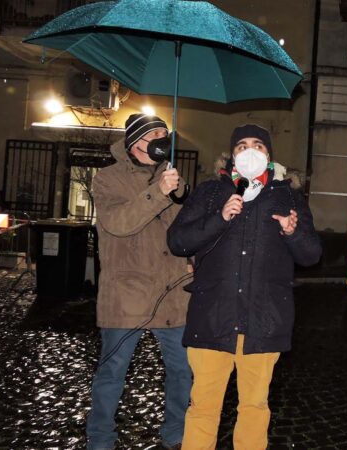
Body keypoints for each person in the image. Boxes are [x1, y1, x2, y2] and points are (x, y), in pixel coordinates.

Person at [167, 124, 322, 450]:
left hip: (263, 322)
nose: (250, 150)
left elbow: (311, 254)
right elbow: (178, 241)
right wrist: (220, 217)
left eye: (258, 145)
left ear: (268, 155)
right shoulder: (210, 193)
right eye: (242, 145)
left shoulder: (288, 195)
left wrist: (292, 233)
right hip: (212, 319)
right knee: (203, 408)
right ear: (232, 154)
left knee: (254, 408)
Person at [87, 113, 192, 450]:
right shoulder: (107, 179)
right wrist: (157, 191)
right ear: (135, 142)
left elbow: (186, 231)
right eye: (155, 133)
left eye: (166, 133)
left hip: (172, 292)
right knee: (113, 372)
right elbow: (119, 223)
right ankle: (100, 440)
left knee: (182, 372)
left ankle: (175, 434)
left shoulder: (174, 179)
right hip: (126, 294)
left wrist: (194, 260)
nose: (163, 139)